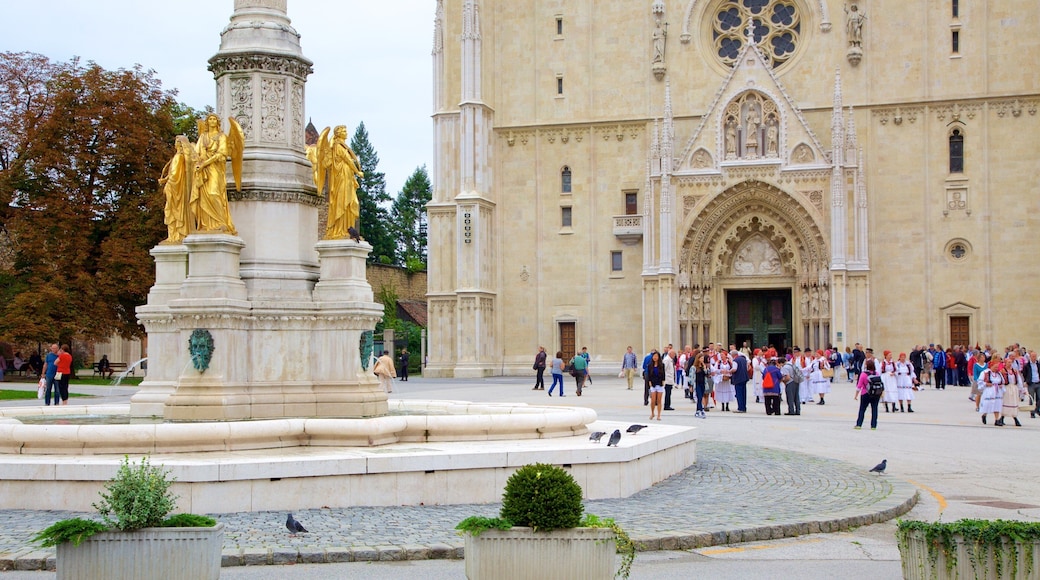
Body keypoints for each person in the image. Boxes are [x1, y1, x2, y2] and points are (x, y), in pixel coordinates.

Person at [192, 114, 240, 235]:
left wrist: (205, 163)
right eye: (210, 119)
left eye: (214, 119)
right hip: (203, 170)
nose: (212, 121)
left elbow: (221, 154)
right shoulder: (203, 136)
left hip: (215, 169)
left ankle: (220, 222)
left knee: (214, 193)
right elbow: (196, 153)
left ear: (217, 122)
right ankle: (207, 225)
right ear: (207, 122)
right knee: (203, 197)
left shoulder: (222, 137)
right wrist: (198, 163)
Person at [316, 125, 364, 239]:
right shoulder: (338, 147)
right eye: (343, 131)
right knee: (343, 202)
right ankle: (340, 229)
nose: (346, 132)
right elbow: (348, 160)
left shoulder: (342, 145)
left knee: (352, 203)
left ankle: (347, 229)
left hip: (347, 178)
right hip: (341, 178)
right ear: (338, 133)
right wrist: (358, 172)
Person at [159, 134, 194, 243]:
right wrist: (165, 179)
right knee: (172, 211)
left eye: (176, 141)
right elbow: (173, 173)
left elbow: (174, 175)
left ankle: (176, 235)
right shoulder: (178, 157)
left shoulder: (178, 157)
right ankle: (174, 235)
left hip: (175, 188)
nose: (175, 143)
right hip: (176, 187)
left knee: (172, 210)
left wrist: (166, 182)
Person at [854, 359, 882, 430]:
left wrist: (856, 395)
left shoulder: (863, 374)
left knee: (862, 409)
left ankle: (859, 424)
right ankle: (873, 426)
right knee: (874, 409)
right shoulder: (877, 374)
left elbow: (859, 386)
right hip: (875, 394)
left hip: (865, 393)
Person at [976, 360, 1004, 426]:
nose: (996, 369)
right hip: (989, 391)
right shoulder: (985, 372)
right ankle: (984, 415)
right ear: (991, 366)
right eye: (995, 367)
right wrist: (986, 384)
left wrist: (1001, 386)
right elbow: (980, 381)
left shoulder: (999, 374)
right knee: (987, 404)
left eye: (997, 367)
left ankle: (997, 420)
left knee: (997, 404)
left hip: (997, 391)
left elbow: (1003, 381)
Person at [1000, 358, 1024, 427]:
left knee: (1014, 403)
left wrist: (1021, 389)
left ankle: (1015, 417)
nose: (1010, 364)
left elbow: (1019, 380)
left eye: (1011, 362)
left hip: (1014, 388)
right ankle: (1002, 417)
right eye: (1008, 362)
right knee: (1005, 403)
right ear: (1005, 363)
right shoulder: (1002, 371)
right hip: (1006, 388)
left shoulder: (1015, 371)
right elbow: (1000, 380)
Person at [646, 351, 665, 421]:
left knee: (659, 400)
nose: (655, 358)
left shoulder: (662, 365)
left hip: (660, 384)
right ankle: (652, 413)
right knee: (653, 400)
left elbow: (663, 374)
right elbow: (649, 375)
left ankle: (659, 415)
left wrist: (663, 382)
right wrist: (650, 382)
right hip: (653, 384)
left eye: (656, 356)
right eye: (654, 356)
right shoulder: (650, 365)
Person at [1023, 350, 1040, 419]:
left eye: (1035, 356)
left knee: (1039, 398)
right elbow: (1024, 373)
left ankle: (1037, 409)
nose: (1034, 358)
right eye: (1033, 356)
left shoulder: (1038, 364)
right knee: (1031, 398)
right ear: (1030, 357)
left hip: (1038, 382)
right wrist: (1026, 381)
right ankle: (1032, 412)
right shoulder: (1027, 365)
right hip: (1031, 383)